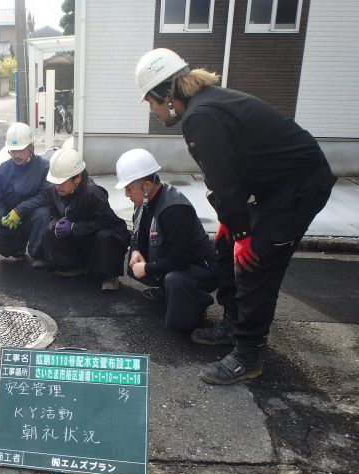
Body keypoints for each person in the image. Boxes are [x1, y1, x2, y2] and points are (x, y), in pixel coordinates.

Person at [135, 48, 337, 384]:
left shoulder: (201, 117)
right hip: (271, 187)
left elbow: (225, 182)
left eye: (150, 101)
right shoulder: (206, 106)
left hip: (298, 189)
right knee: (226, 248)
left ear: (166, 93)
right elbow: (231, 171)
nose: (152, 110)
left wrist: (245, 236)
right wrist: (232, 225)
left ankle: (248, 354)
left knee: (255, 262)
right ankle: (233, 323)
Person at [116, 148, 219, 330]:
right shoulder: (143, 202)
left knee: (175, 282)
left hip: (201, 268)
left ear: (147, 185)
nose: (126, 194)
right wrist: (135, 251)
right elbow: (136, 236)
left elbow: (181, 258)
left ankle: (197, 301)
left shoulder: (175, 209)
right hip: (177, 262)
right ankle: (169, 292)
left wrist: (147, 267)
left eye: (129, 188)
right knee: (135, 267)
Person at [43, 148, 130, 290]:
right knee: (49, 231)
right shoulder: (53, 190)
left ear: (77, 177)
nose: (57, 186)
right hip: (77, 239)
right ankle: (76, 266)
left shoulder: (93, 193)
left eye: (62, 182)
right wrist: (56, 223)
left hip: (94, 237)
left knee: (106, 237)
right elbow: (53, 213)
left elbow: (109, 222)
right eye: (55, 181)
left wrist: (74, 227)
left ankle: (110, 275)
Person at [0, 122, 51, 268]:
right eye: (13, 151)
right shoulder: (2, 170)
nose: (17, 155)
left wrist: (19, 210)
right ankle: (16, 248)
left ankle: (38, 253)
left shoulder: (44, 166)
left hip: (34, 216)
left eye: (21, 150)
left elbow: (46, 195)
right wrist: (2, 219)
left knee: (43, 214)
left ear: (31, 147)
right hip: (13, 219)